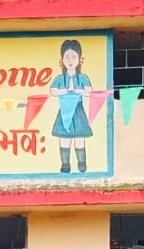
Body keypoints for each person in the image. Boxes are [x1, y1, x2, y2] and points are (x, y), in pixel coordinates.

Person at [47, 39, 94, 173]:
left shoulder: (83, 78)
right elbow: (53, 91)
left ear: (80, 59)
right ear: (62, 60)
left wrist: (78, 91)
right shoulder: (59, 79)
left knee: (79, 138)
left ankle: (81, 162)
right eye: (67, 57)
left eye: (73, 57)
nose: (70, 60)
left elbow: (89, 91)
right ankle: (65, 164)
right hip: (64, 110)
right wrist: (65, 90)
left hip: (78, 110)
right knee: (64, 139)